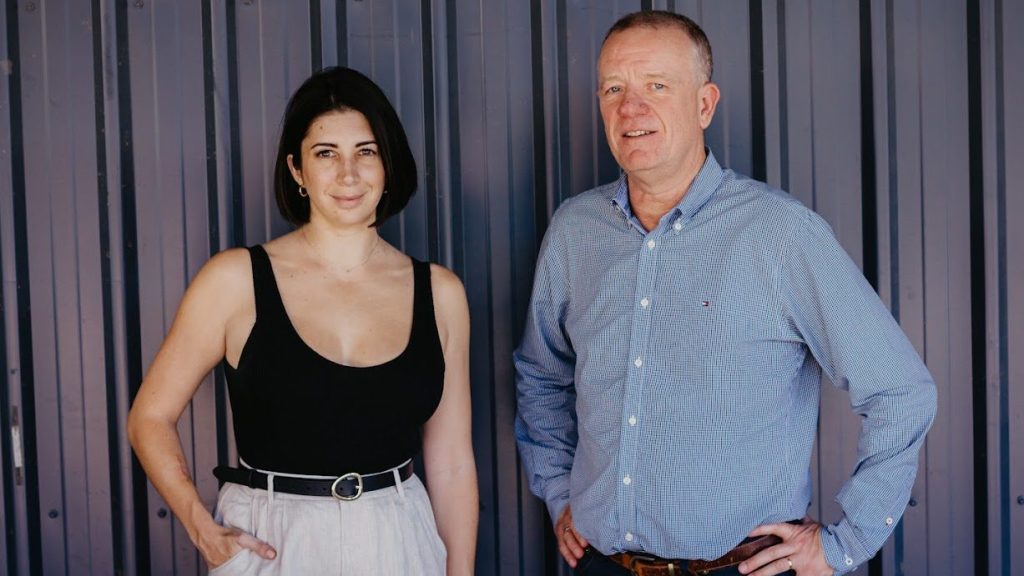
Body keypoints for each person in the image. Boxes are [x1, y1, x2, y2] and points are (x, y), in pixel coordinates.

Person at [514, 10, 935, 576]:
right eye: (614, 88)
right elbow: (541, 375)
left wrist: (845, 542)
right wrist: (559, 492)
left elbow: (900, 390)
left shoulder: (782, 234)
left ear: (704, 104)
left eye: (656, 86)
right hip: (600, 564)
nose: (630, 108)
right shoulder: (574, 231)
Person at [128, 66, 478, 575]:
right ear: (297, 170)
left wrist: (460, 572)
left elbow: (450, 463)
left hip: (398, 533)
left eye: (366, 151)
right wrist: (198, 523)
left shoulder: (440, 294)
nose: (348, 175)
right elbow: (149, 417)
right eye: (325, 154)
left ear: (389, 164)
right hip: (274, 539)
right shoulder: (235, 281)